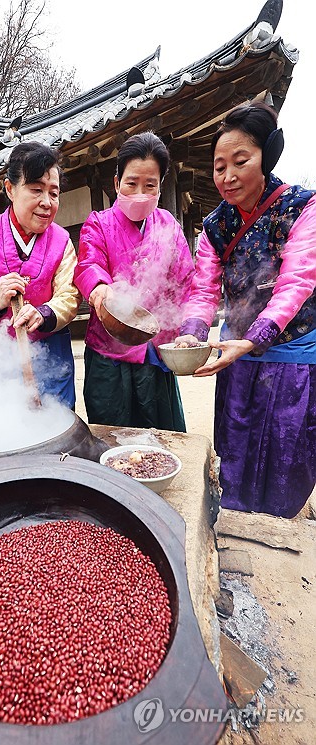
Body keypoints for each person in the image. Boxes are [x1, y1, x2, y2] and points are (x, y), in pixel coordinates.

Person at [176, 101, 316, 518]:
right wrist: (194, 332)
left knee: (285, 447)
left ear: (267, 156)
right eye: (219, 167)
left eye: (241, 161)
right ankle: (236, 522)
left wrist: (256, 338)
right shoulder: (216, 225)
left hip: (291, 355)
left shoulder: (301, 207)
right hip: (236, 354)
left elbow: (298, 281)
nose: (228, 176)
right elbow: (203, 287)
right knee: (237, 443)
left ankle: (276, 527)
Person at [74, 131, 195, 430]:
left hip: (154, 352)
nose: (140, 192)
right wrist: (100, 287)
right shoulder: (98, 223)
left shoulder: (169, 225)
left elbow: (185, 283)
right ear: (116, 183)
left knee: (162, 436)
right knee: (111, 437)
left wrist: (188, 328)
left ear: (159, 187)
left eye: (149, 185)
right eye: (131, 183)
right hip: (107, 353)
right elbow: (89, 263)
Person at [0, 142, 81, 408]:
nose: (46, 202)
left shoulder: (62, 241)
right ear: (10, 189)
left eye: (54, 193)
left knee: (57, 425)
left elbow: (69, 295)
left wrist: (44, 313)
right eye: (36, 190)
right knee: (5, 426)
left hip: (51, 352)